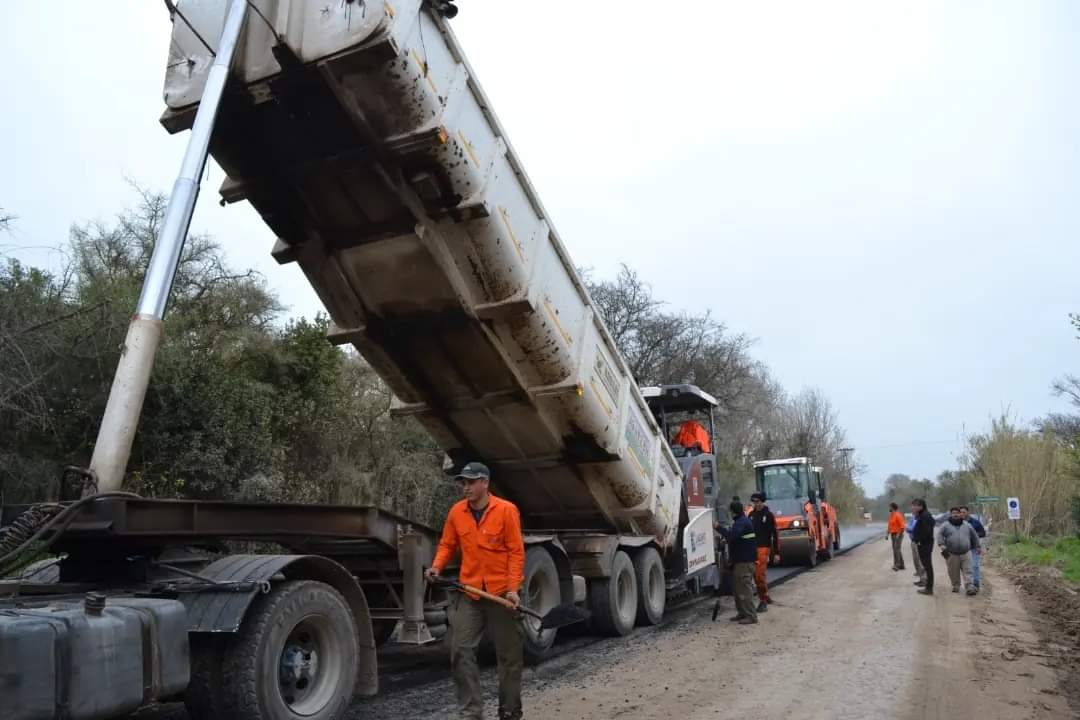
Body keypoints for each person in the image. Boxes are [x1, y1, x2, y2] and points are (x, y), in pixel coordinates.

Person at [426, 462, 526, 720]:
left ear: (485, 483)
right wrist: (437, 567)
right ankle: (471, 713)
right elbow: (447, 544)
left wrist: (514, 590)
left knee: (509, 657)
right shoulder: (457, 512)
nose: (465, 487)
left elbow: (516, 553)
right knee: (461, 651)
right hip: (470, 592)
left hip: (502, 593)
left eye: (471, 482)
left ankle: (509, 711)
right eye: (463, 482)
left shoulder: (506, 510)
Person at [717, 500, 759, 624]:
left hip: (744, 562)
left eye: (731, 511)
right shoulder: (740, 522)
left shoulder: (742, 522)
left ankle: (751, 616)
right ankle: (742, 613)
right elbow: (736, 539)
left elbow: (732, 536)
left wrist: (718, 527)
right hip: (739, 561)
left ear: (734, 512)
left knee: (744, 590)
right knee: (737, 589)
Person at [938, 506, 981, 596]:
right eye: (953, 513)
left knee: (968, 570)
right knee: (953, 571)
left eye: (957, 513)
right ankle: (955, 585)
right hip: (951, 553)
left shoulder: (967, 525)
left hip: (966, 552)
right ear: (951, 514)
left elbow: (975, 536)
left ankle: (969, 586)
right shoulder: (945, 525)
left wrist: (978, 546)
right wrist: (941, 544)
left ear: (960, 514)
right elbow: (940, 535)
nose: (956, 515)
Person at [748, 492, 777, 612]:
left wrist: (776, 553)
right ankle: (765, 594)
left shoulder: (768, 515)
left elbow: (775, 535)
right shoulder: (751, 515)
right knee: (753, 575)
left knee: (760, 575)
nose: (755, 504)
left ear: (762, 502)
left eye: (757, 502)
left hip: (763, 548)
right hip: (752, 548)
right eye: (754, 502)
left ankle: (763, 600)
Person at [911, 498, 936, 595]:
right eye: (912, 505)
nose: (912, 507)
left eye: (915, 505)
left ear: (921, 506)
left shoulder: (925, 516)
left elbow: (927, 532)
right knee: (927, 566)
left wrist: (919, 541)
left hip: (925, 545)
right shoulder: (923, 515)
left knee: (927, 567)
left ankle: (929, 588)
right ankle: (928, 587)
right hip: (925, 544)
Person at [959, 506, 987, 589]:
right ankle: (968, 584)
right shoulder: (958, 522)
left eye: (964, 512)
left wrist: (973, 535)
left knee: (975, 566)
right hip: (963, 548)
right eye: (960, 512)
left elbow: (983, 533)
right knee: (966, 567)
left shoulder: (975, 522)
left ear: (968, 512)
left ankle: (976, 583)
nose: (962, 514)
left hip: (974, 547)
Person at [887, 502, 906, 571]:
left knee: (896, 550)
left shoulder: (898, 515)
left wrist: (898, 535)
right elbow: (889, 525)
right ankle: (902, 565)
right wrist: (887, 534)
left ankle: (897, 565)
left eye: (890, 507)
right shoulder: (891, 515)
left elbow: (902, 526)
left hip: (898, 534)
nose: (889, 508)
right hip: (893, 534)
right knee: (896, 549)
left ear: (893, 507)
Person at [907, 512, 926, 583]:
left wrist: (910, 528)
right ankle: (919, 574)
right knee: (915, 559)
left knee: (920, 560)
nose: (914, 513)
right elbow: (908, 528)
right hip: (913, 541)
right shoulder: (913, 518)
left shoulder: (921, 519)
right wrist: (910, 528)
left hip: (919, 542)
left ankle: (924, 579)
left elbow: (912, 528)